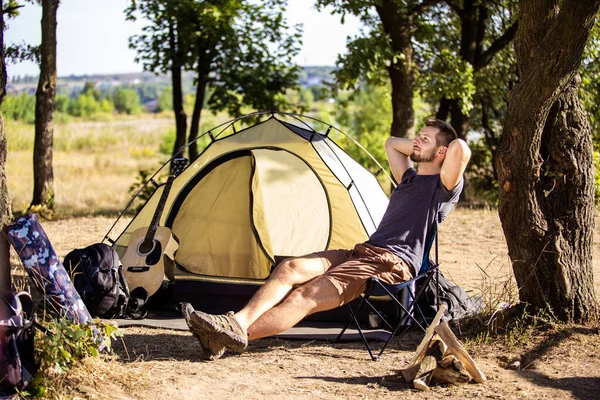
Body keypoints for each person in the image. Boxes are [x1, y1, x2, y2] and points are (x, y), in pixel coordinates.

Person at [182, 118, 471, 361]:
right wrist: (424, 145)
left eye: (425, 139)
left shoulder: (442, 188)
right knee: (290, 268)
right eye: (417, 137)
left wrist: (437, 148)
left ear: (442, 151)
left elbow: (461, 147)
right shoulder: (408, 178)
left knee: (303, 296)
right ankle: (236, 324)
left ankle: (234, 334)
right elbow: (391, 144)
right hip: (362, 252)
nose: (416, 141)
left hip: (391, 264)